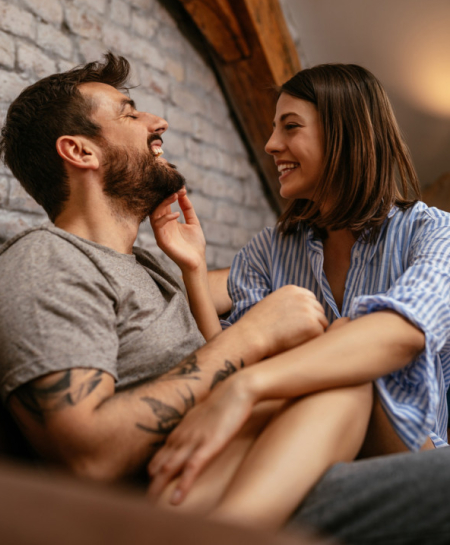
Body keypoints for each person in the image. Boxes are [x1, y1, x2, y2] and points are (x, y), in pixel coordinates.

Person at [0, 54, 450, 544]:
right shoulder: (47, 259)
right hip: (220, 478)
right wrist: (254, 334)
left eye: (290, 126)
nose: (160, 123)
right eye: (130, 113)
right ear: (80, 152)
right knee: (344, 352)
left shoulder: (151, 272)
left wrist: (195, 272)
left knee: (345, 346)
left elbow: (386, 334)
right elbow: (90, 453)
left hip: (272, 455)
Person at [147, 64, 450, 530]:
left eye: (290, 127)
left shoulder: (433, 234)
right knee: (298, 369)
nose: (271, 145)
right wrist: (193, 268)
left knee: (348, 352)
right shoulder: (272, 248)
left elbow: (401, 334)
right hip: (297, 435)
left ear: (345, 135)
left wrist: (248, 388)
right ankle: (158, 528)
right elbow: (231, 352)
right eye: (272, 128)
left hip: (403, 444)